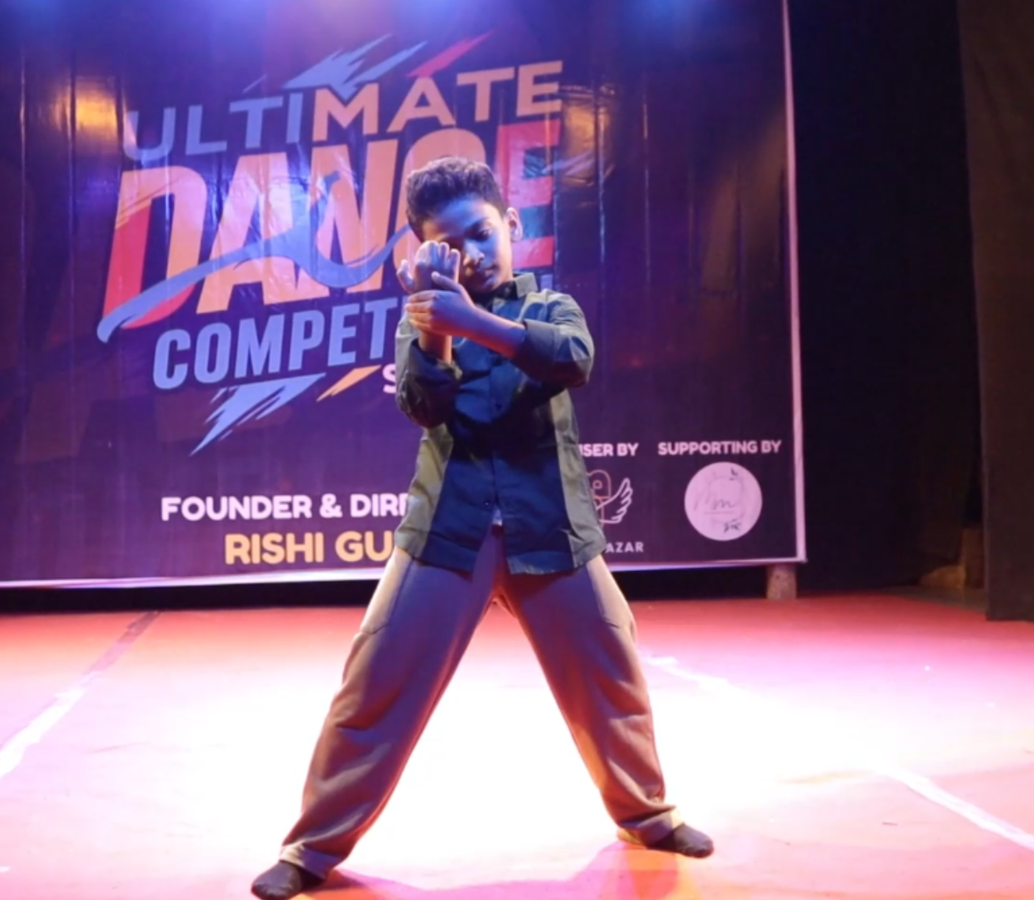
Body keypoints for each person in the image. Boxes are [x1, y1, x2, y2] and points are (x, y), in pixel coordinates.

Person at [250, 156, 712, 900]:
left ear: (512, 224)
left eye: (482, 231)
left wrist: (472, 322)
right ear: (426, 254)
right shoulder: (421, 322)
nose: (472, 251)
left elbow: (573, 360)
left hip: (551, 527)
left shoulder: (549, 306)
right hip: (448, 529)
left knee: (610, 675)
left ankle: (647, 815)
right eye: (450, 244)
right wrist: (437, 327)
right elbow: (423, 405)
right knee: (375, 682)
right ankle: (311, 849)